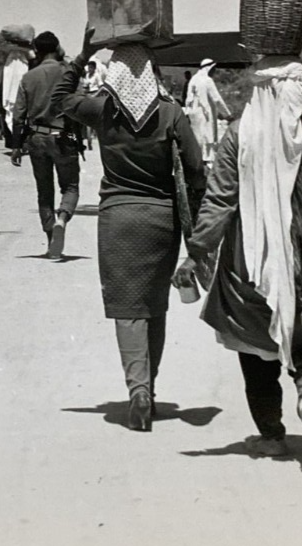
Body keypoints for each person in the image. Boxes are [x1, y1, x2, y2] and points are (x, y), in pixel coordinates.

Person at [173, 0, 302, 465]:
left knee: (254, 343)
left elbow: (219, 202)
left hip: (249, 250)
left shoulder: (238, 135)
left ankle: (271, 433)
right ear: (298, 87)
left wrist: (196, 253)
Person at [55, 32, 206, 431]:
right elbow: (195, 167)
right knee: (154, 305)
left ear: (116, 72)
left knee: (128, 308)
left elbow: (60, 99)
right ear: (151, 71)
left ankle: (137, 391)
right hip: (162, 220)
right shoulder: (171, 113)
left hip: (117, 219)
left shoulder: (102, 110)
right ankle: (148, 389)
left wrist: (83, 55)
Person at [12, 31, 82, 258]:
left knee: (44, 191)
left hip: (37, 137)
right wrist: (80, 138)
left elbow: (18, 116)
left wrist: (16, 146)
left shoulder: (28, 77)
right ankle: (62, 219)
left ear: (37, 51)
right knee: (70, 187)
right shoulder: (68, 73)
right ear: (57, 47)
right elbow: (80, 107)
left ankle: (51, 239)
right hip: (64, 136)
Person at [184, 57, 233, 165]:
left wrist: (188, 111)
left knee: (197, 138)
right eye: (213, 69)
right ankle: (207, 163)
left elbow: (188, 98)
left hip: (194, 114)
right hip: (205, 115)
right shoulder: (207, 80)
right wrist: (227, 114)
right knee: (207, 139)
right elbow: (217, 99)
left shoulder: (193, 79)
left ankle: (197, 161)